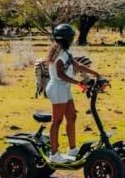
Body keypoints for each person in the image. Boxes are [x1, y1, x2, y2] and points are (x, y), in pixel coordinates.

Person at [45, 24, 104, 164]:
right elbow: (60, 73)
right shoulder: (60, 54)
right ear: (68, 38)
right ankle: (54, 154)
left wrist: (96, 73)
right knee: (57, 120)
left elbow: (78, 65)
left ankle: (72, 149)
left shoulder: (64, 52)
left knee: (72, 117)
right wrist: (77, 83)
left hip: (63, 87)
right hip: (58, 87)